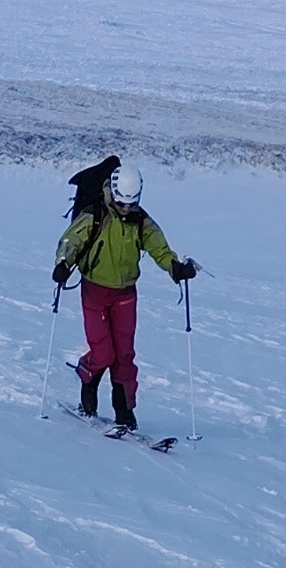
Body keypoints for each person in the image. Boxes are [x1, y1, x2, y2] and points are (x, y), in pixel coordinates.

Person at [52, 161, 196, 430]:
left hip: (126, 293)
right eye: (122, 204)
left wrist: (175, 267)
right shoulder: (96, 214)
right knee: (103, 352)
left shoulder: (140, 220)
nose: (127, 209)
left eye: (132, 204)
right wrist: (62, 263)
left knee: (125, 355)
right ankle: (87, 386)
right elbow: (71, 241)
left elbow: (159, 248)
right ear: (114, 195)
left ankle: (124, 412)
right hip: (94, 290)